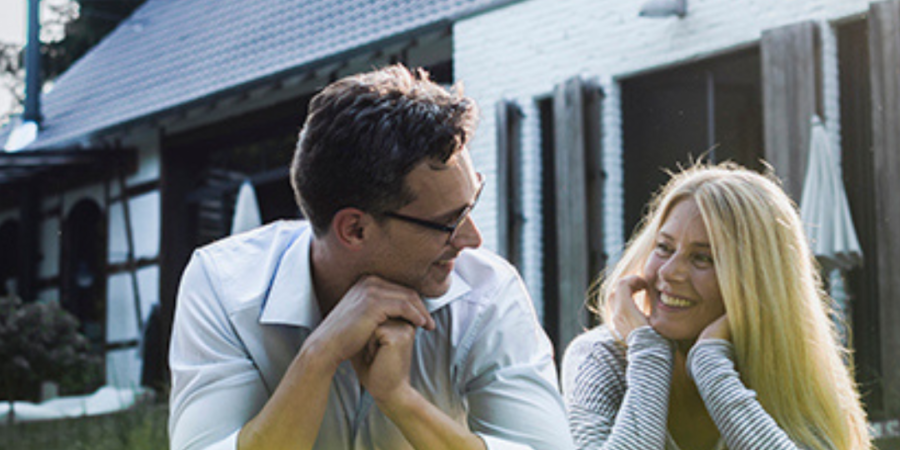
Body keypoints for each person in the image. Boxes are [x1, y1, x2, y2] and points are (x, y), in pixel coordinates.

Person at [168, 64, 574, 450]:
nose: (473, 239)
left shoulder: (487, 295)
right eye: (448, 223)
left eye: (471, 206)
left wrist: (399, 399)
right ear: (355, 229)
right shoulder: (224, 287)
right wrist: (319, 356)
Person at [562, 163, 871, 450]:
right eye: (664, 247)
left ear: (758, 283)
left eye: (703, 258)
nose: (669, 272)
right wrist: (650, 355)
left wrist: (713, 370)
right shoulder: (600, 358)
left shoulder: (790, 372)